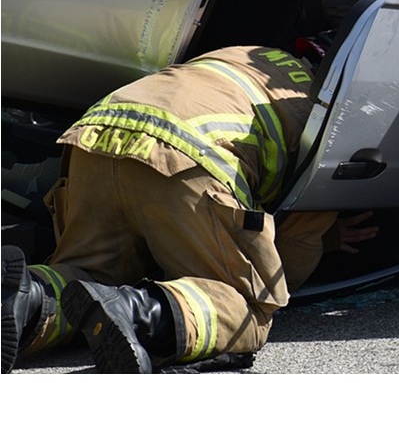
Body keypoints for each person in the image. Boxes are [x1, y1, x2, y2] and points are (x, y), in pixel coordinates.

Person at [1, 44, 379, 374]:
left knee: (90, 275)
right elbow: (284, 269)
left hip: (96, 137)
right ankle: (137, 310)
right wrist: (317, 243)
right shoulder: (330, 115)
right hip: (183, 157)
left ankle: (25, 298)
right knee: (246, 308)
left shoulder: (253, 56)